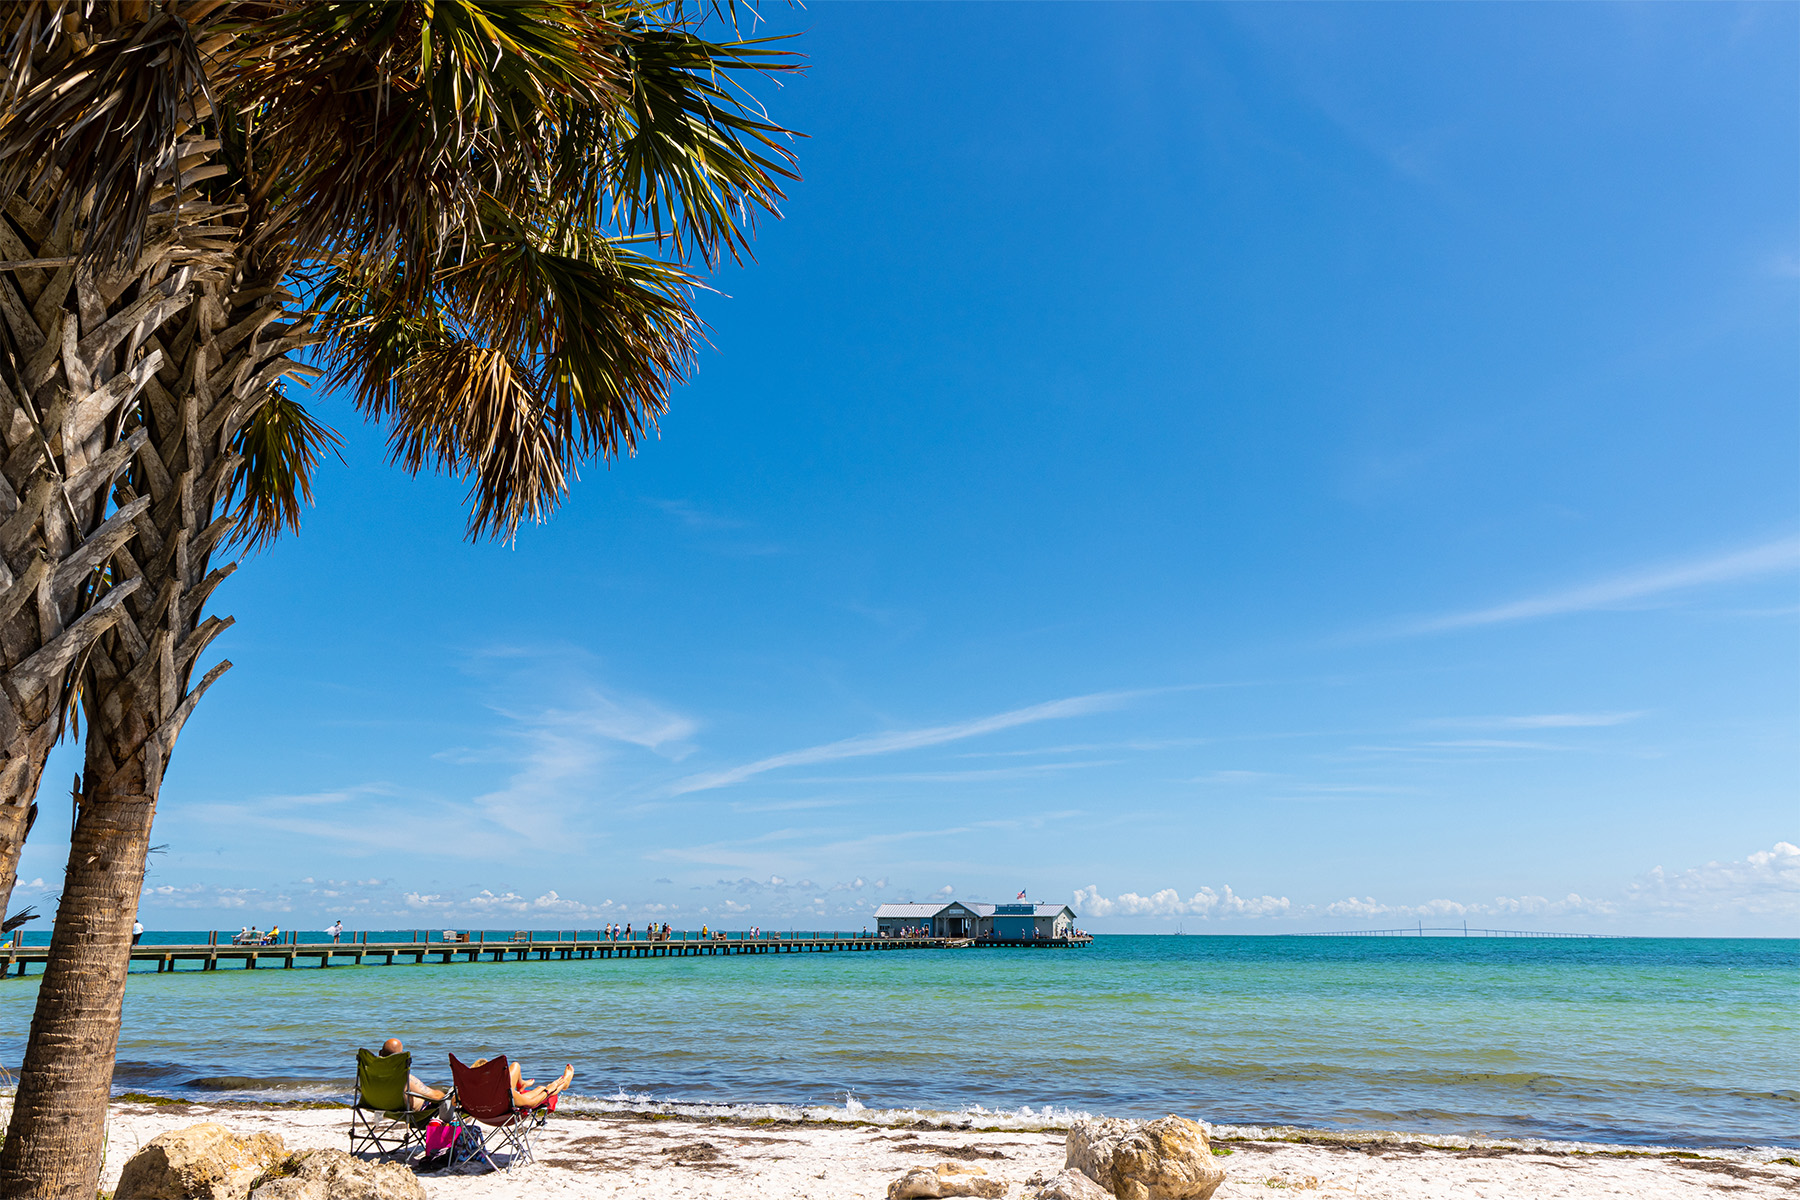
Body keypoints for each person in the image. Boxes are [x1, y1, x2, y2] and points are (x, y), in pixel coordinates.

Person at [471, 1057, 574, 1111]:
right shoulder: (506, 1095)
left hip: (486, 1115)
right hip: (505, 1109)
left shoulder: (467, 1094)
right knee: (515, 1066)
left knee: (539, 1088)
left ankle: (523, 1084)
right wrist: (549, 1090)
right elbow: (531, 1103)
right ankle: (564, 1083)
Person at [378, 1038, 446, 1112]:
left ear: (379, 1053)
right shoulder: (405, 1079)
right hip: (415, 1112)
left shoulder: (368, 1076)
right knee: (445, 1099)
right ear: (400, 1058)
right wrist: (443, 1094)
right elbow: (436, 1097)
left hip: (380, 1108)